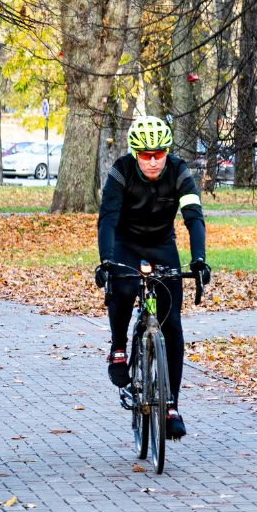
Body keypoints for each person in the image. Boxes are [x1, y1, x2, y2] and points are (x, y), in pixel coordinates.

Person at [94, 116, 210, 440]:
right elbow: (107, 219)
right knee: (125, 285)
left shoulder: (179, 171)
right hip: (125, 243)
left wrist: (198, 259)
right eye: (145, 155)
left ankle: (171, 404)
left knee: (171, 322)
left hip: (162, 246)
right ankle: (119, 347)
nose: (153, 161)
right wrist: (106, 261)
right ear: (134, 153)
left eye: (158, 153)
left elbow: (194, 217)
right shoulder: (121, 170)